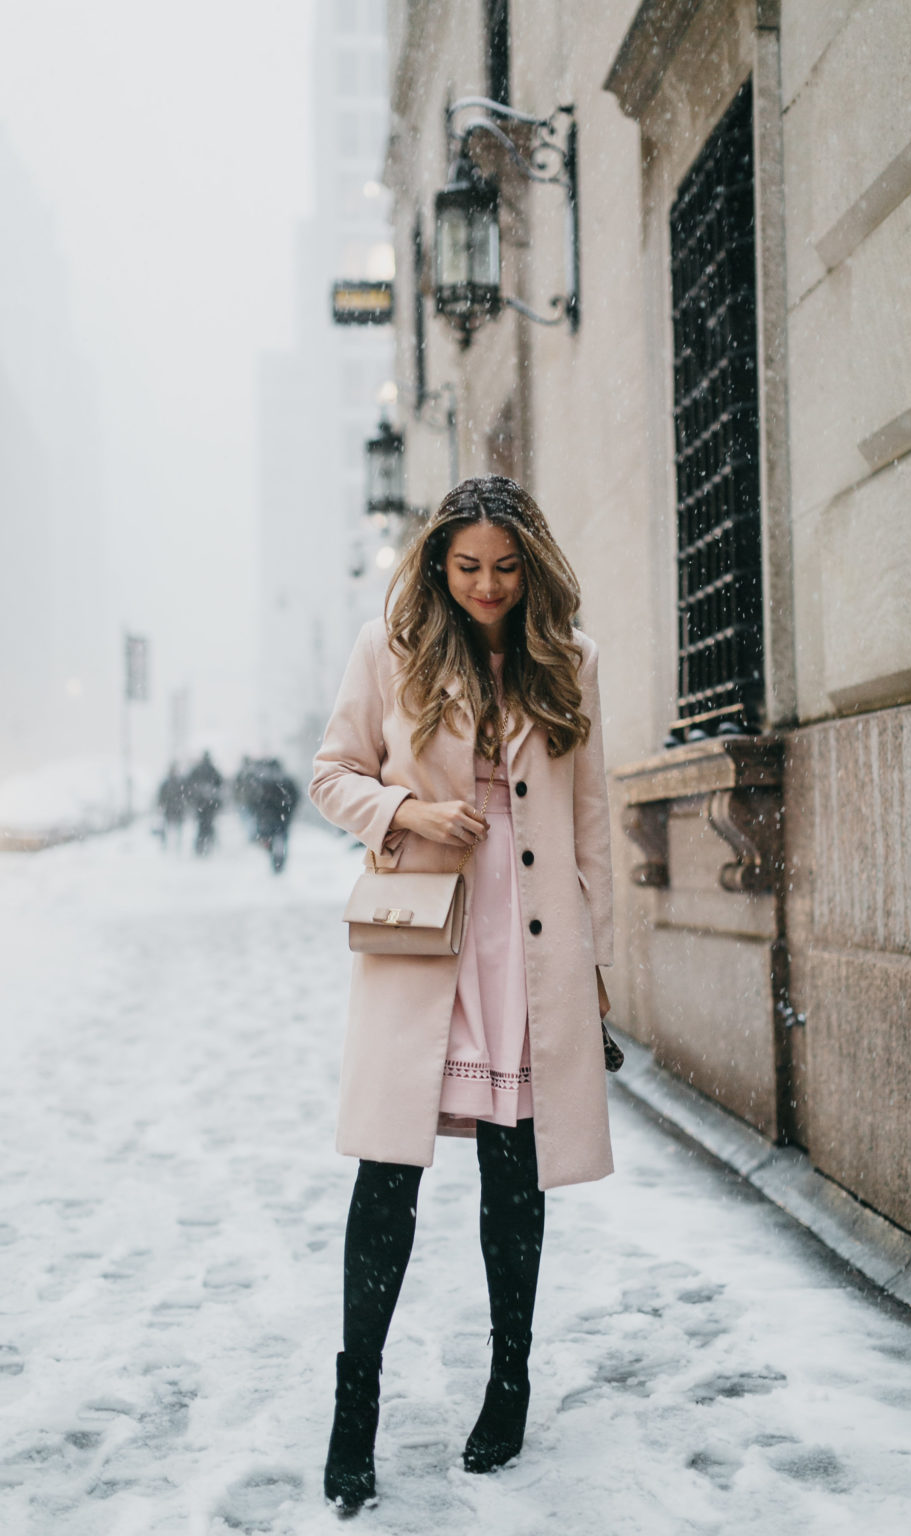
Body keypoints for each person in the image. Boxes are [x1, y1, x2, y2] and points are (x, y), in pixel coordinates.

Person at [309, 475, 614, 1514]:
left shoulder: (569, 663)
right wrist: (407, 812)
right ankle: (356, 1408)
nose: (485, 586)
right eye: (467, 566)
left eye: (505, 567)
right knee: (386, 1179)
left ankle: (509, 1383)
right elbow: (330, 773)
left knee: (511, 1176)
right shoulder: (389, 646)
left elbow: (591, 827)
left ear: (533, 567)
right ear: (438, 563)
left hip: (532, 946)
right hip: (428, 939)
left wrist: (598, 966)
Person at [184, 751, 223, 856]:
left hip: (200, 804)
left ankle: (200, 846)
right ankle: (207, 845)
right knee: (208, 825)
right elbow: (220, 784)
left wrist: (193, 797)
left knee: (201, 826)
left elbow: (188, 784)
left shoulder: (198, 770)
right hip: (209, 805)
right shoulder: (212, 770)